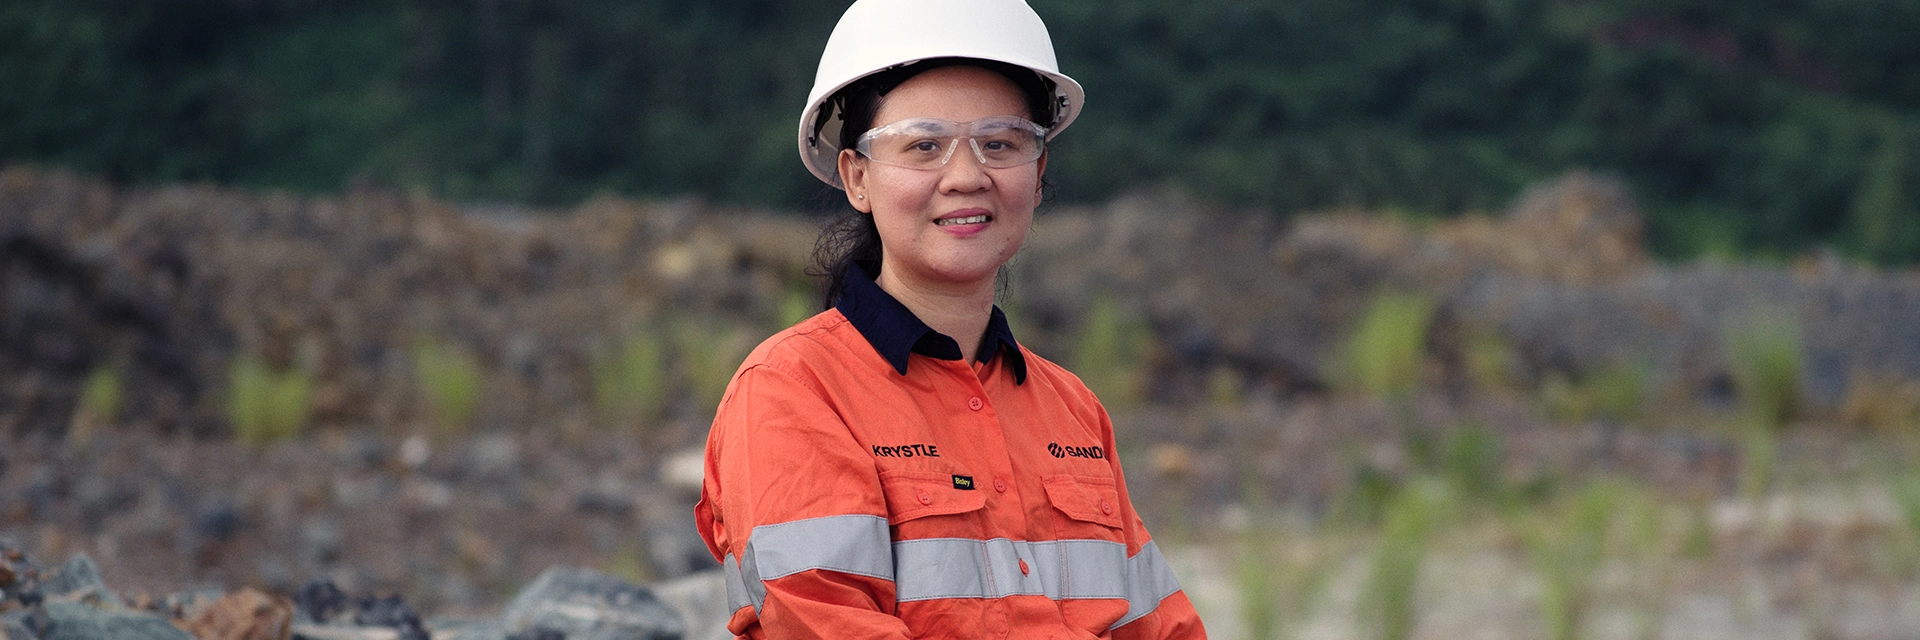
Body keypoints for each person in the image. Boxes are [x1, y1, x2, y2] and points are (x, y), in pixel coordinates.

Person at [694, 0, 1208, 637]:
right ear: (857, 178)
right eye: (924, 145)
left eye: (999, 144)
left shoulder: (1071, 409)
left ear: (1039, 172)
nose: (966, 176)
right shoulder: (793, 390)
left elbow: (1163, 628)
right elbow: (821, 621)